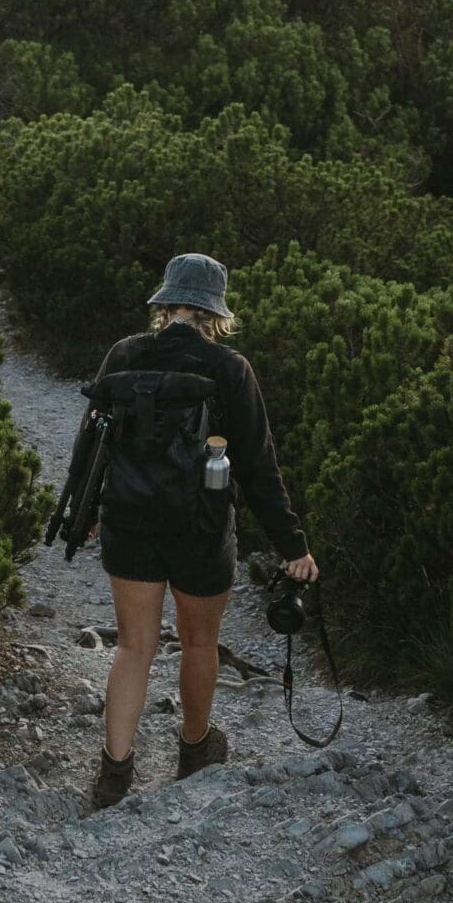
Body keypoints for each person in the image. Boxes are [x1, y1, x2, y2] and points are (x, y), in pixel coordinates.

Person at [82, 252, 316, 807]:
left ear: (165, 302)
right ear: (216, 310)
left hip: (130, 523)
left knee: (134, 647)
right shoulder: (230, 369)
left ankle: (114, 775)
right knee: (199, 642)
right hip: (202, 529)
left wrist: (86, 512)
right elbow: (260, 468)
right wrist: (293, 547)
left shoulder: (123, 353)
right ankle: (194, 751)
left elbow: (92, 443)